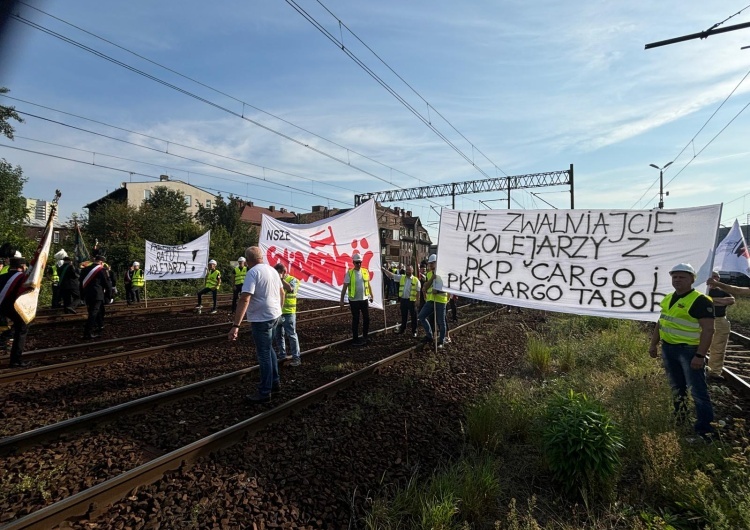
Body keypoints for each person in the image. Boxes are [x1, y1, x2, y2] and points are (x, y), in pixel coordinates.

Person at [649, 263, 715, 439]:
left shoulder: (700, 300)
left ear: (692, 279)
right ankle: (680, 418)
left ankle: (706, 430)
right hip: (669, 349)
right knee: (677, 387)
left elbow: (709, 330)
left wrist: (700, 355)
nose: (677, 280)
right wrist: (653, 344)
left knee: (698, 391)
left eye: (682, 277)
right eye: (674, 276)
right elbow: (661, 322)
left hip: (689, 351)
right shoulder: (669, 298)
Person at [228, 246, 284, 404]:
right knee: (270, 349)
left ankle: (265, 392)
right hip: (275, 315)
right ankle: (275, 383)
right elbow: (281, 292)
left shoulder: (252, 272)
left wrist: (236, 325)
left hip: (262, 319)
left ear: (248, 260)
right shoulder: (272, 270)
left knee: (264, 354)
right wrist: (278, 309)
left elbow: (245, 298)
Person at [0, 256, 30, 367]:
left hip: (2, 307)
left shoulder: (2, 276)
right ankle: (16, 360)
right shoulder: (23, 278)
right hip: (14, 308)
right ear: (22, 266)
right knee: (22, 329)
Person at [706, 270, 735, 379]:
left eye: (717, 277)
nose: (715, 279)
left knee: (718, 348)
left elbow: (731, 300)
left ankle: (714, 372)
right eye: (713, 276)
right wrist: (720, 301)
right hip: (703, 321)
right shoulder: (702, 290)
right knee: (699, 345)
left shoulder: (722, 290)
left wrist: (712, 300)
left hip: (720, 320)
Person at [340, 252, 373, 345]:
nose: (359, 264)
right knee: (356, 319)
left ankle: (365, 336)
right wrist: (341, 300)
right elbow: (344, 287)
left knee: (367, 318)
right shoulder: (349, 273)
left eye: (360, 262)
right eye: (357, 262)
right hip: (354, 300)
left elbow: (368, 285)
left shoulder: (365, 271)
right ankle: (355, 339)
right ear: (353, 263)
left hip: (364, 299)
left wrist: (371, 295)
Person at [273, 263, 302, 366]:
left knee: (291, 335)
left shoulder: (293, 280)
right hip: (278, 313)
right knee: (278, 335)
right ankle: (282, 356)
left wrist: (280, 280)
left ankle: (296, 358)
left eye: (278, 273)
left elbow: (290, 289)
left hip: (289, 313)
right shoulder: (276, 281)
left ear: (283, 272)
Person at [382, 264, 420, 337]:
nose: (408, 271)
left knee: (414, 316)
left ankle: (414, 331)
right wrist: (384, 270)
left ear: (412, 271)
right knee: (404, 315)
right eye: (407, 270)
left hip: (412, 301)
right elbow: (392, 275)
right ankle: (402, 329)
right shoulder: (402, 278)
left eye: (409, 270)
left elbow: (418, 292)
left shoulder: (416, 280)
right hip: (403, 300)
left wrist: (417, 301)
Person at [80, 254, 113, 339]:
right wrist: (109, 296)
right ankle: (87, 333)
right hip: (97, 294)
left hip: (87, 294)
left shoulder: (85, 269)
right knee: (93, 313)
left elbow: (80, 283)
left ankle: (100, 326)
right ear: (101, 262)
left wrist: (82, 295)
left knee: (98, 310)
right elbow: (107, 284)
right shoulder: (102, 270)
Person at [419, 254, 448, 349]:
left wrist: (438, 291)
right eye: (429, 263)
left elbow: (448, 287)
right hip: (431, 300)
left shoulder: (443, 273)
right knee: (421, 316)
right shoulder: (428, 274)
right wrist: (432, 278)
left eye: (432, 263)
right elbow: (426, 286)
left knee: (441, 321)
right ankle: (429, 336)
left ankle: (441, 341)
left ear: (437, 263)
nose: (430, 265)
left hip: (441, 300)